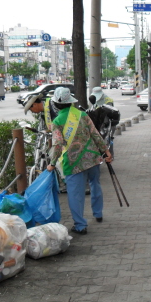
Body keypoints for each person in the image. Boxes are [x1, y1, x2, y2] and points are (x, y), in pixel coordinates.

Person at [46, 87, 112, 235]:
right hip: (92, 157)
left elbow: (57, 145)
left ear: (56, 105)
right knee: (95, 184)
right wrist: (106, 151)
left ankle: (80, 225)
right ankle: (98, 213)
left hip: (73, 162)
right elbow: (95, 134)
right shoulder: (82, 114)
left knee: (76, 194)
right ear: (70, 102)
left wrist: (52, 163)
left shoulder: (57, 121)